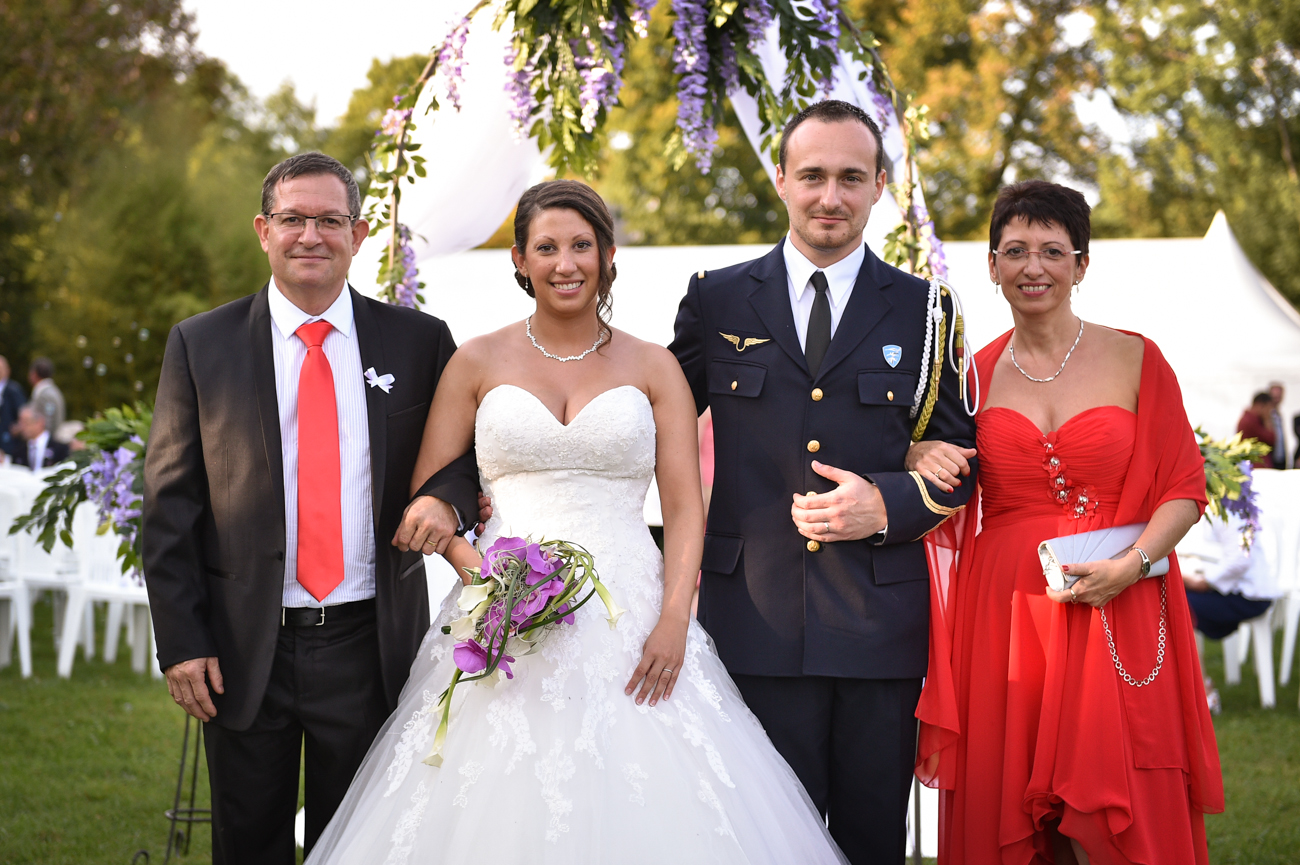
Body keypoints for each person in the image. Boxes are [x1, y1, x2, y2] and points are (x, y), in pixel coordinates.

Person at [307, 180, 848, 864]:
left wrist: (674, 618)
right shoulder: (475, 360)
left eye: (581, 246)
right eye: (546, 248)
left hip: (632, 615)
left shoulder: (654, 366)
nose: (565, 264)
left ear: (608, 255)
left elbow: (685, 506)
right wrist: (488, 582)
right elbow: (431, 495)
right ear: (520, 259)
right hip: (498, 615)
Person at [142, 152, 480, 864]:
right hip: (242, 647)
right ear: (263, 230)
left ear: (358, 234)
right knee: (247, 845)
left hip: (370, 641)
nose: (310, 236)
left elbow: (465, 458)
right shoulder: (201, 344)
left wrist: (443, 499)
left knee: (360, 847)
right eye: (292, 218)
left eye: (330, 220)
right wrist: (182, 640)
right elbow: (171, 508)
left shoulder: (420, 342)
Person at [668, 99, 977, 863]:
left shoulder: (926, 310)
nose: (829, 196)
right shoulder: (715, 298)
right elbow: (649, 420)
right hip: (754, 620)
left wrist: (886, 503)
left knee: (871, 840)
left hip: (879, 625)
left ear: (879, 185)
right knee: (765, 843)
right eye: (811, 176)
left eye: (850, 177)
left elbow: (960, 457)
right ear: (780, 179)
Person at [912, 180, 1222, 863]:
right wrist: (915, 452)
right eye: (1015, 250)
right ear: (991, 266)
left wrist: (1132, 565)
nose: (1034, 267)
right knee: (1016, 807)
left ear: (1081, 265)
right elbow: (940, 479)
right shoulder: (969, 377)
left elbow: (1183, 487)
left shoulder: (1137, 358)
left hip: (1120, 599)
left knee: (1115, 807)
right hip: (1009, 615)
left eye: (1053, 251)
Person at [12, 404, 69, 470]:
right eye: (20, 423)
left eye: (26, 422)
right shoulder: (18, 451)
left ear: (40, 422)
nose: (22, 427)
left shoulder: (61, 449)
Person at [1236, 392, 1276, 467]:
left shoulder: (1251, 419)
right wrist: (1267, 420)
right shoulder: (1251, 421)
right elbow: (1270, 438)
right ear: (1261, 406)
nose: (1269, 412)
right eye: (1268, 409)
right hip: (1256, 465)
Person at [27, 357, 65, 433]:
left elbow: (49, 422)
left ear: (34, 374)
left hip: (49, 438)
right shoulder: (50, 391)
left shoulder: (46, 395)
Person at [0, 354, 25, 459]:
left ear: (7, 370)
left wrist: (18, 427)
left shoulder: (14, 390)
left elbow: (22, 412)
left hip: (9, 442)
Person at [1268, 381, 1288, 469]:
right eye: (1274, 396)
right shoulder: (1267, 414)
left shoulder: (1278, 414)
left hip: (1280, 457)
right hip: (1271, 458)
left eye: (1279, 396)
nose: (1277, 399)